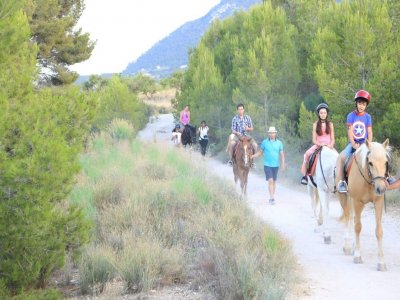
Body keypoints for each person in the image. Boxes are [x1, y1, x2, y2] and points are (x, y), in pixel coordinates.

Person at [337, 90, 373, 193]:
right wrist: (353, 144)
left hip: (365, 143)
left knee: (376, 156)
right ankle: (342, 182)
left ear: (366, 105)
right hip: (353, 143)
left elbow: (369, 132)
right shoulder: (351, 116)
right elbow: (350, 131)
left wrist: (368, 144)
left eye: (364, 104)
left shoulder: (368, 117)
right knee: (343, 157)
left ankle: (383, 178)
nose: (361, 106)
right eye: (360, 103)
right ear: (356, 103)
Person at [300, 103, 335, 185]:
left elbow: (333, 139)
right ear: (319, 114)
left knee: (338, 157)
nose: (323, 114)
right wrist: (320, 144)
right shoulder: (315, 124)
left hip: (329, 146)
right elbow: (314, 139)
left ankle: (340, 180)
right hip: (318, 145)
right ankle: (305, 176)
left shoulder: (330, 124)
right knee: (306, 155)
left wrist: (330, 146)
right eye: (321, 113)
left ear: (327, 114)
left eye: (324, 113)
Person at [251, 126, 285, 205]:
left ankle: (273, 196)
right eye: (270, 133)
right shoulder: (264, 142)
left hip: (276, 165)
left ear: (275, 133)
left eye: (273, 133)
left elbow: (282, 154)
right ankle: (271, 198)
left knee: (274, 182)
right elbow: (260, 152)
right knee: (270, 181)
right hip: (267, 165)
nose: (272, 134)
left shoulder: (279, 143)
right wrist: (253, 156)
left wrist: (283, 164)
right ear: (268, 134)